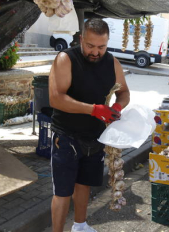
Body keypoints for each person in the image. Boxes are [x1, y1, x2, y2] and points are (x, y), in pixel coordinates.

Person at [49, 19, 130, 232]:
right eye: (90, 46)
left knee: (84, 183)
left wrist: (118, 108)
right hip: (66, 136)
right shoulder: (66, 59)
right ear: (81, 39)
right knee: (63, 191)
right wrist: (94, 109)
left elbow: (124, 92)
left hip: (95, 136)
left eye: (101, 47)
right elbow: (56, 99)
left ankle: (80, 225)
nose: (96, 52)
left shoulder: (112, 62)